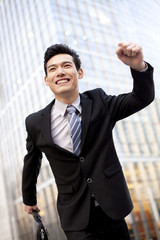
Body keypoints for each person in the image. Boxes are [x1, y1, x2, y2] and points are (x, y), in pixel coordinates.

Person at [22, 42, 154, 240]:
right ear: (46, 80)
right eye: (53, 68)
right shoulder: (35, 122)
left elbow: (141, 98)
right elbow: (32, 162)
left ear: (80, 73)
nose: (60, 71)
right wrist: (29, 199)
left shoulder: (100, 102)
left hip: (112, 209)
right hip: (76, 217)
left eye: (67, 65)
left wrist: (138, 67)